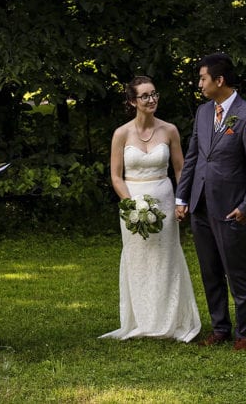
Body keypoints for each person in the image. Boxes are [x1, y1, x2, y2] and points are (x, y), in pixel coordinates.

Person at [175, 53, 246, 351]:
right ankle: (220, 328)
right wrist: (182, 197)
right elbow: (192, 157)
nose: (199, 84)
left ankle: (245, 333)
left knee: (236, 271)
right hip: (200, 205)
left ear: (219, 80)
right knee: (210, 270)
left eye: (203, 78)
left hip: (231, 209)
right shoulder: (204, 112)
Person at [100, 76, 202, 342]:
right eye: (145, 96)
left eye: (154, 94)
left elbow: (180, 170)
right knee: (138, 259)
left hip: (164, 200)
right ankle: (141, 321)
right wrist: (131, 205)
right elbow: (116, 176)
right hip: (132, 204)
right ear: (133, 101)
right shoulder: (121, 134)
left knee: (165, 258)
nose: (151, 99)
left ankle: (168, 320)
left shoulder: (169, 130)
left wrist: (182, 201)